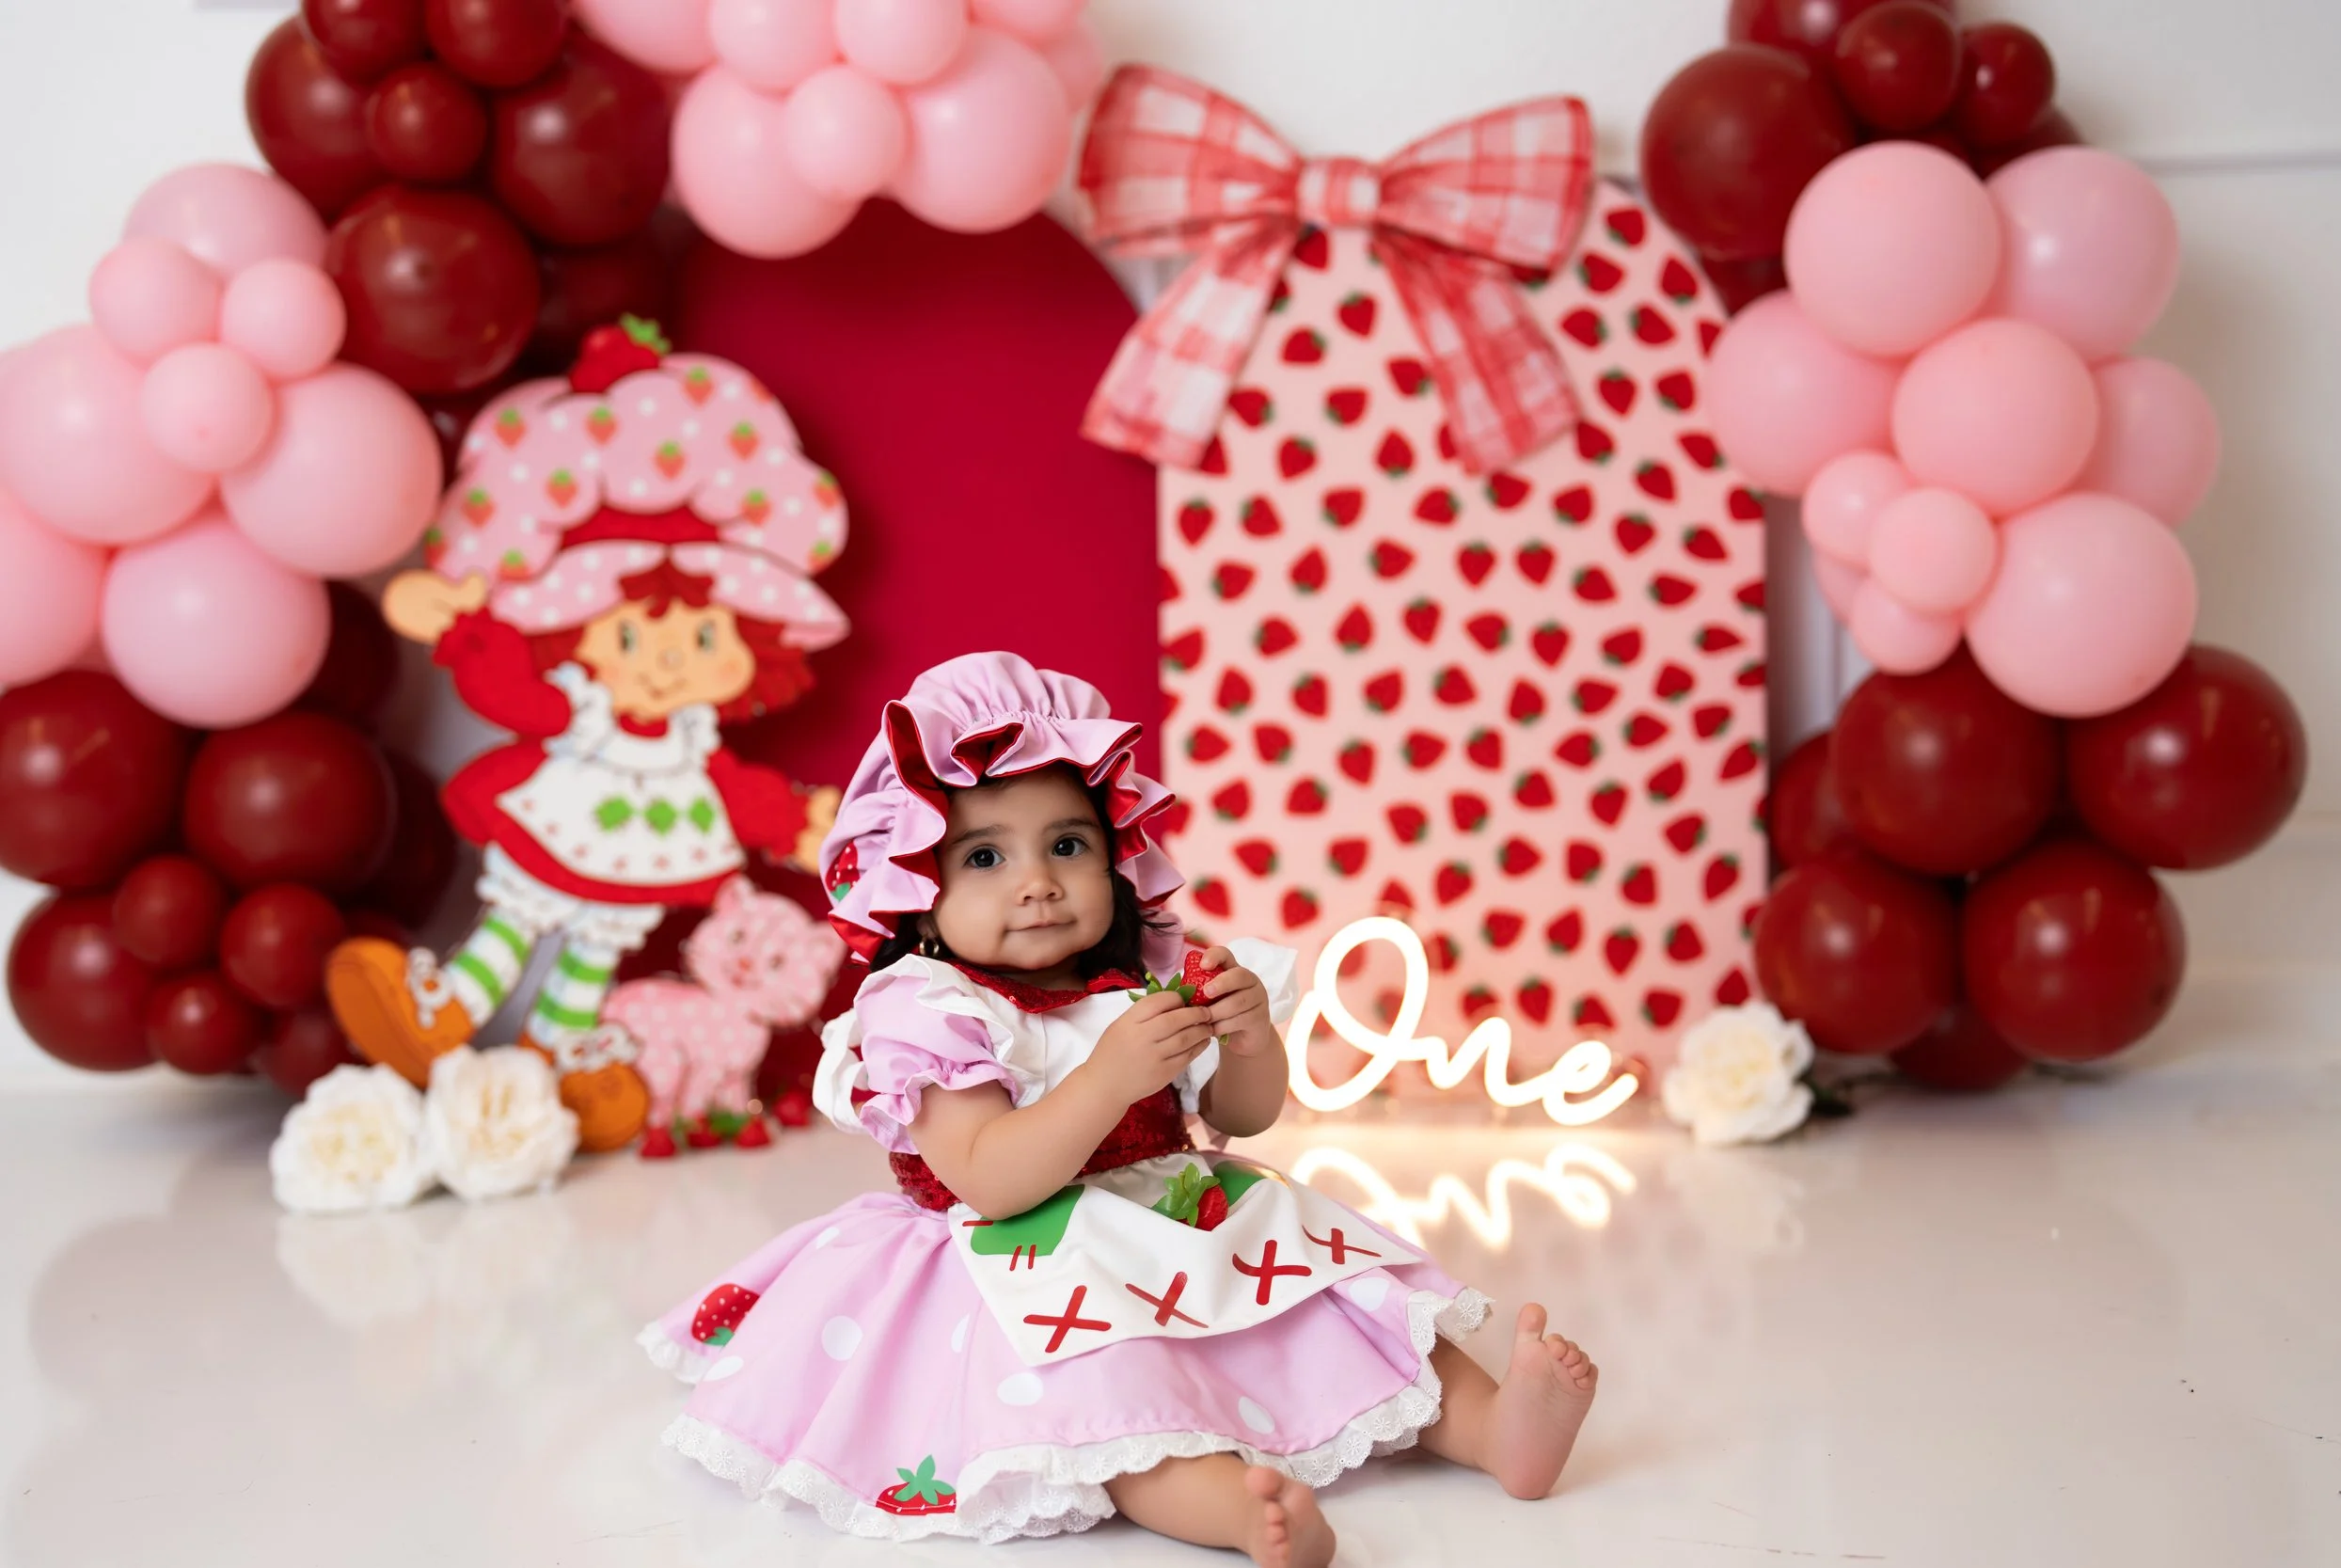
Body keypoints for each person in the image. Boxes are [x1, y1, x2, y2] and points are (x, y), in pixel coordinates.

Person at [641, 653, 1598, 1566]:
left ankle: (1492, 1424)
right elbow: (988, 1177)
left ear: (1117, 857)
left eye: (1068, 844)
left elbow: (1243, 1115)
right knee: (1113, 1392)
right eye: (984, 855)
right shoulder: (930, 1009)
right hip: (1022, 1257)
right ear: (918, 895)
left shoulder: (1143, 973)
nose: (1037, 880)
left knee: (1340, 1306)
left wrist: (1250, 1038)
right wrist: (1105, 1078)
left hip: (1179, 1212)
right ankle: (1238, 1508)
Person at [325, 321, 845, 1149]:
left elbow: (736, 791)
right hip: (560, 823)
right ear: (573, 631)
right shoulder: (579, 708)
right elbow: (514, 694)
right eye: (633, 634)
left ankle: (557, 1068)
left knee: (591, 958)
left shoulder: (692, 740)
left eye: (702, 637)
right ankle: (443, 1012)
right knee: (512, 925)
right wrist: (462, 627)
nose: (668, 662)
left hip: (641, 855)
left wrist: (794, 823)